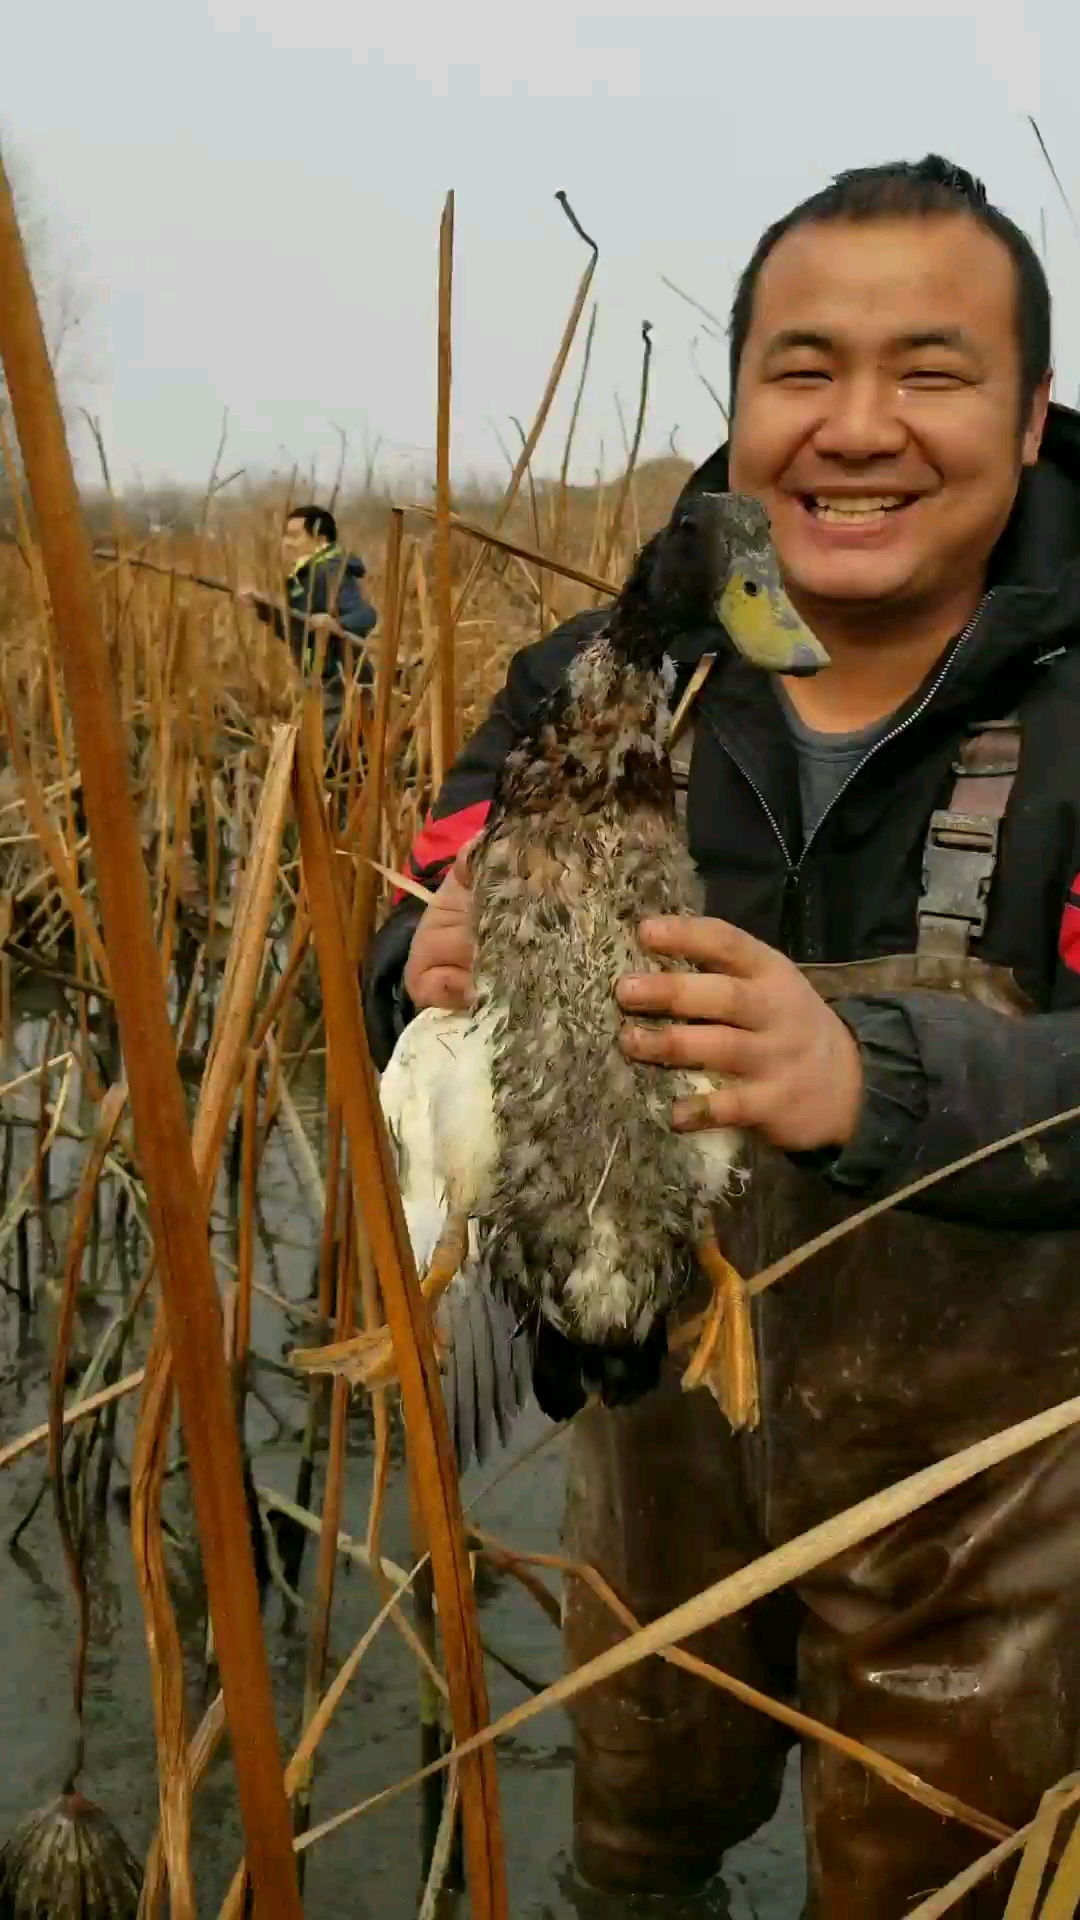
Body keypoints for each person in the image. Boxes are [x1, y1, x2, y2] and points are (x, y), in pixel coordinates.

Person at [363, 155, 1080, 1916]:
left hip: (989, 1510)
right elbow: (403, 923)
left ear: (1033, 411)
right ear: (742, 404)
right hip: (664, 1427)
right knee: (634, 1836)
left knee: (944, 1873)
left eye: (930, 371)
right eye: (803, 370)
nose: (858, 428)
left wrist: (876, 1079)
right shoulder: (586, 682)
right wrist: (423, 966)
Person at [239, 503, 377, 746]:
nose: (286, 543)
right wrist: (264, 607)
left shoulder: (329, 571)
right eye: (285, 535)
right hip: (320, 683)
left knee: (323, 753)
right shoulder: (305, 575)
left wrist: (336, 624)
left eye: (295, 536)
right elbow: (300, 633)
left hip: (341, 684)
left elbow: (366, 615)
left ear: (321, 540)